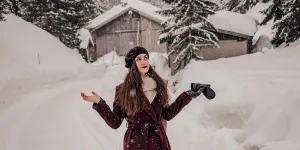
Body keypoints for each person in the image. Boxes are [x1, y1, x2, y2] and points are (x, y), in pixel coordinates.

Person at [80, 46, 205, 150]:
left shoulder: (159, 85)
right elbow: (115, 122)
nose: (144, 61)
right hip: (136, 143)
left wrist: (188, 95)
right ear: (132, 64)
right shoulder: (123, 90)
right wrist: (99, 102)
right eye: (138, 59)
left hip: (158, 141)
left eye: (145, 58)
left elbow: (167, 114)